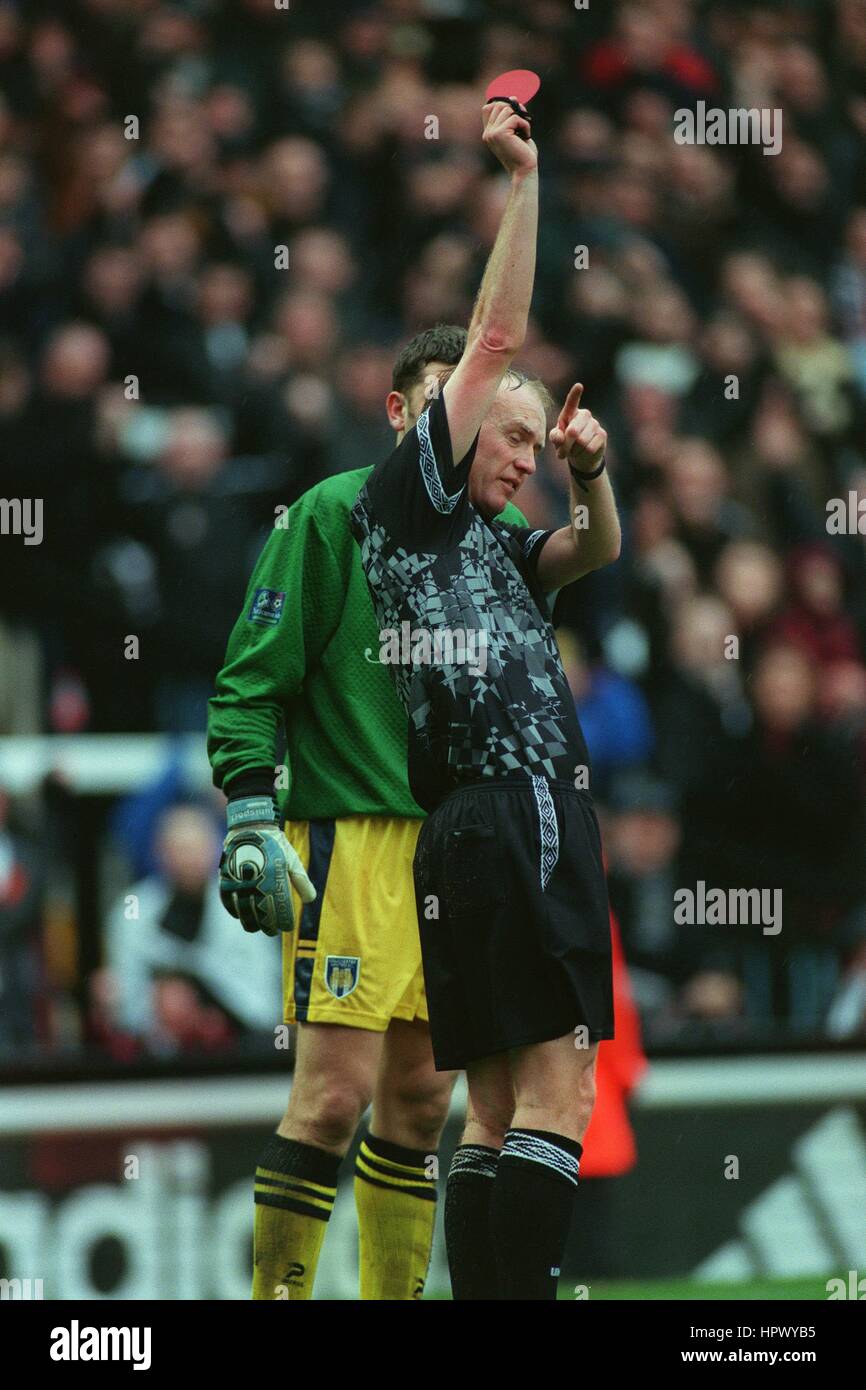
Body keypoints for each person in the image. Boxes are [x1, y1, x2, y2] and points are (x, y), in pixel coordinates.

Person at [350, 96, 621, 1300]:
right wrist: (523, 183)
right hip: (520, 809)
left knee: (495, 1105)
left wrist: (590, 476)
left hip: (459, 832)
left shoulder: (487, 547)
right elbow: (496, 338)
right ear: (443, 425)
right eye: (509, 438)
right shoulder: (413, 497)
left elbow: (589, 556)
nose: (523, 456)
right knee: (560, 1090)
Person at [207, 324, 530, 1300]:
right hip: (346, 837)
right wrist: (249, 810)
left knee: (423, 1097)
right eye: (441, 400)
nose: (457, 422)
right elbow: (248, 679)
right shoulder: (326, 513)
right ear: (397, 412)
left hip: (452, 849)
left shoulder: (488, 542)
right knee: (330, 1096)